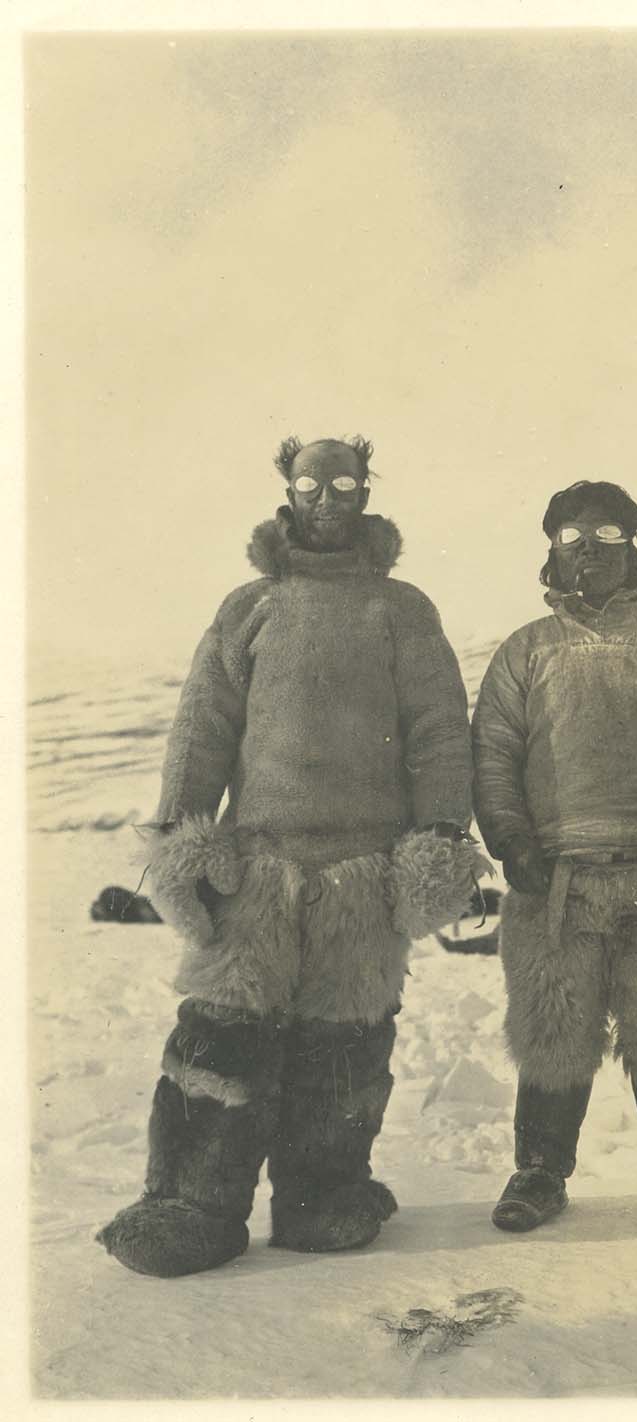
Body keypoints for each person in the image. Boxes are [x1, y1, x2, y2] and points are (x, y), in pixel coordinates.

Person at [97, 436, 481, 1276]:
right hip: (255, 869)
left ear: (366, 491)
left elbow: (441, 731)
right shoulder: (249, 606)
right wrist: (179, 837)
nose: (329, 497)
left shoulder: (402, 608)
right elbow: (202, 728)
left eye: (346, 482)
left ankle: (324, 1197)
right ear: (289, 491)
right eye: (312, 482)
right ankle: (189, 1203)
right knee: (218, 1035)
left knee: (343, 1045)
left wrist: (442, 835)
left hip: (364, 875)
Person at [471, 480, 637, 1236]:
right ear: (551, 551)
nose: (589, 550)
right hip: (557, 881)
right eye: (572, 537)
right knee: (554, 1034)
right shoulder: (526, 652)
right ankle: (539, 1172)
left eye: (610, 535)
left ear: (636, 547)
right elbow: (493, 754)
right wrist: (511, 839)